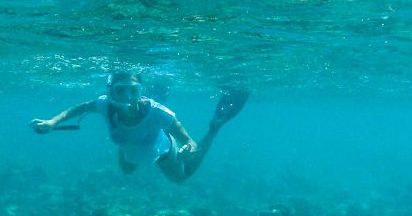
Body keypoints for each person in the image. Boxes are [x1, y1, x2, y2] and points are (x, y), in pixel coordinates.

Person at [30, 71, 248, 183]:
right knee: (127, 170)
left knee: (181, 178)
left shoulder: (158, 112)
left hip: (163, 151)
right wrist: (52, 122)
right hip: (131, 150)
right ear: (111, 91)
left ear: (141, 91)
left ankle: (215, 127)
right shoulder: (104, 104)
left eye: (133, 91)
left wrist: (187, 148)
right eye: (121, 90)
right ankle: (133, 140)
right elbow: (79, 108)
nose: (127, 97)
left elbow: (188, 141)